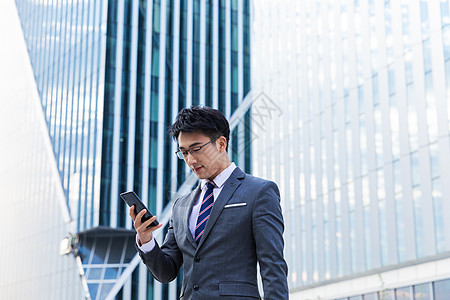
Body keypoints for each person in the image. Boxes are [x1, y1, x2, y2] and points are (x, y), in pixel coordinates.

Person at [129, 105, 288, 299]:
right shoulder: (180, 206)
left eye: (196, 149)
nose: (190, 159)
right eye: (184, 152)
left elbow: (273, 267)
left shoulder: (259, 192)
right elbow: (166, 272)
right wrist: (145, 239)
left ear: (221, 144)